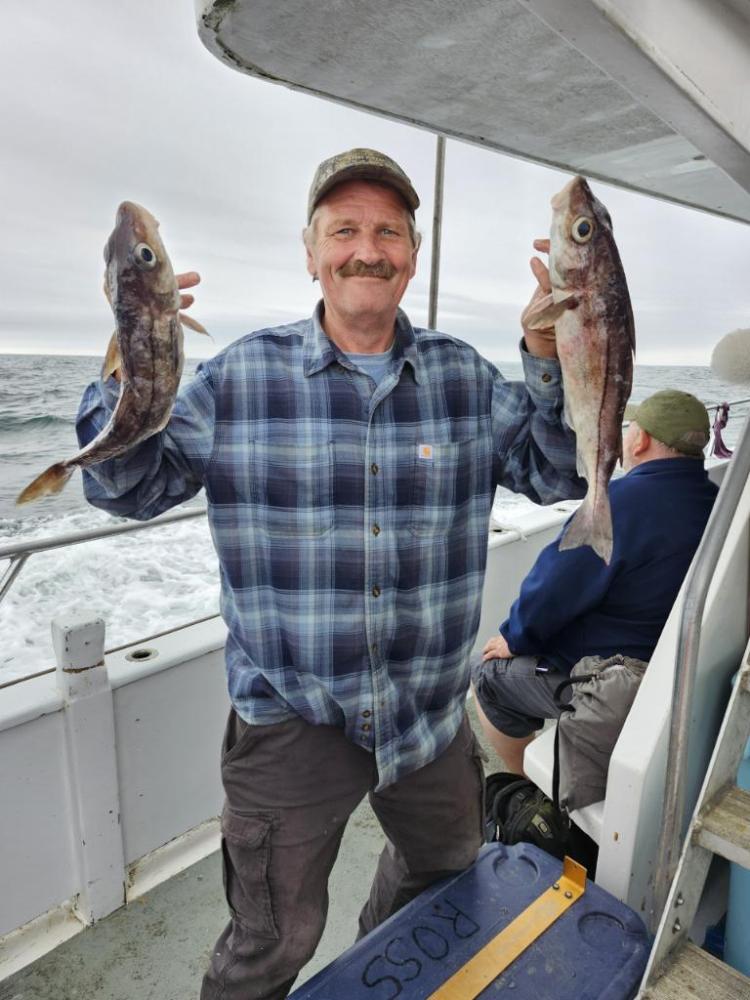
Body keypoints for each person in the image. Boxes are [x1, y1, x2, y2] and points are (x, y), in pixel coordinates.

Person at [76, 148, 585, 1000]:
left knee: (446, 874)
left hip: (427, 718)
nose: (367, 248)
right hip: (291, 720)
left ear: (413, 256)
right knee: (269, 943)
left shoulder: (465, 376)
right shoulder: (240, 377)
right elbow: (125, 486)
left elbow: (558, 471)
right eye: (343, 229)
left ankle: (378, 966)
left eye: (388, 231)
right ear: (309, 250)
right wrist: (132, 350)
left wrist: (551, 352)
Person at [472, 389, 718, 776]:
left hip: (612, 681)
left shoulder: (615, 503)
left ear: (640, 440)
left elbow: (552, 590)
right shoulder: (718, 503)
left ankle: (526, 790)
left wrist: (514, 637)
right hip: (675, 673)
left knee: (486, 676)